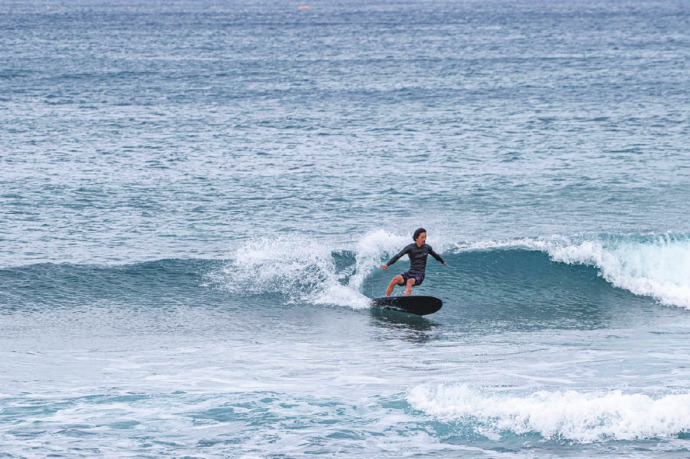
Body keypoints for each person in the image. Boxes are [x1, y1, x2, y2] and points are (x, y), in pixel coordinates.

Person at [380, 228, 446, 296]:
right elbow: (398, 256)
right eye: (422, 237)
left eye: (425, 237)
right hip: (410, 273)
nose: (424, 239)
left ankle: (405, 300)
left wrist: (442, 261)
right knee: (395, 279)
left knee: (409, 281)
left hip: (420, 275)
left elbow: (436, 255)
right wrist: (387, 264)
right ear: (416, 238)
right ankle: (386, 298)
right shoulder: (410, 247)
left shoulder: (427, 248)